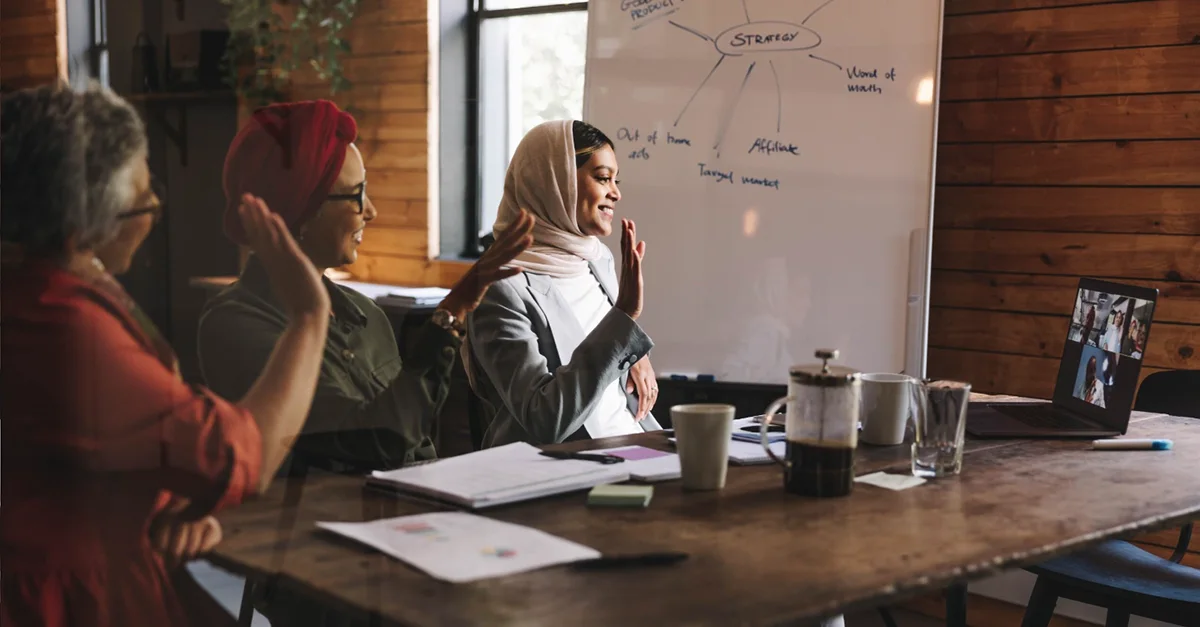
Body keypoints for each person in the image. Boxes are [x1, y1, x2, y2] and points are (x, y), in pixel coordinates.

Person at [1, 82, 330, 626]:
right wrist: (309, 316)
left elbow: (65, 455)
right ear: (86, 223)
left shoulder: (36, 290)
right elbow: (240, 458)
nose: (154, 209)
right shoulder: (61, 323)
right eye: (143, 198)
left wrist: (157, 503)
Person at [197, 100, 534, 473]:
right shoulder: (234, 326)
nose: (370, 211)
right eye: (356, 194)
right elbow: (376, 441)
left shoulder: (366, 316)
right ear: (301, 210)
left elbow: (419, 452)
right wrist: (450, 313)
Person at [464, 120, 662, 447]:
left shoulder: (598, 259)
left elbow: (607, 363)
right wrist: (623, 322)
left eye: (616, 180)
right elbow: (545, 419)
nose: (616, 192)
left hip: (634, 445)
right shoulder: (498, 288)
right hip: (564, 469)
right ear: (556, 182)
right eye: (602, 178)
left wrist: (633, 353)